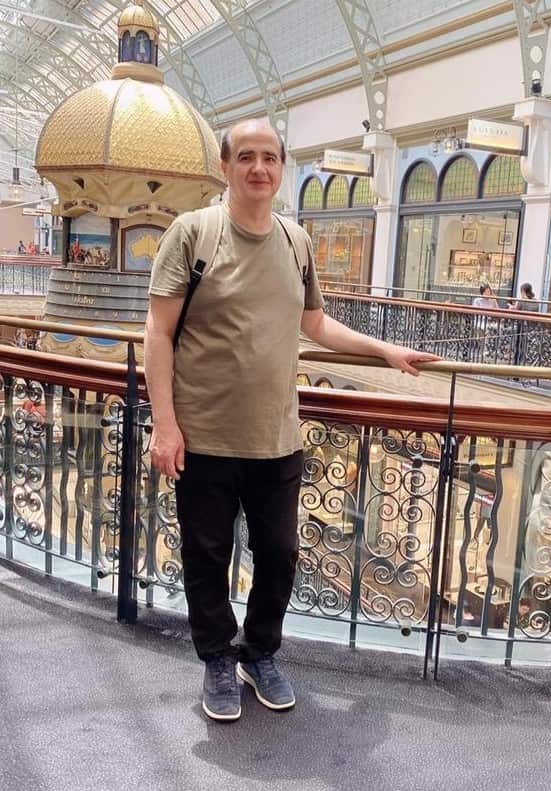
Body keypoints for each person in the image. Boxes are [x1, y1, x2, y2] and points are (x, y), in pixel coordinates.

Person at [144, 118, 440, 723]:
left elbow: (314, 324)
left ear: (282, 168)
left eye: (270, 157)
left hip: (276, 437)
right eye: (246, 157)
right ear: (225, 167)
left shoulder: (295, 240)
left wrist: (382, 350)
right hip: (202, 435)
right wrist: (166, 424)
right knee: (206, 552)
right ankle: (217, 660)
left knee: (278, 552)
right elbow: (159, 331)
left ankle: (259, 654)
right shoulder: (191, 234)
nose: (259, 167)